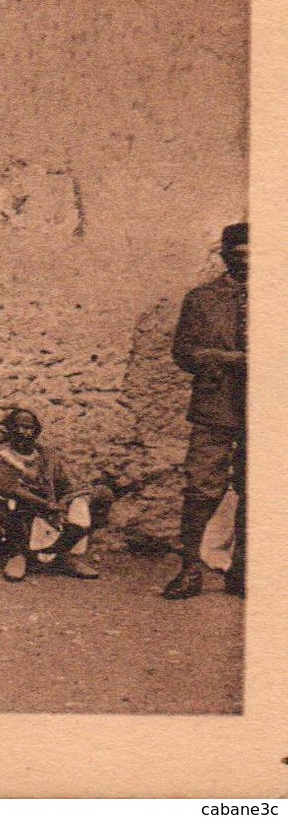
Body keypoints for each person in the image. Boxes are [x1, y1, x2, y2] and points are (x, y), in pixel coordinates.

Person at [164, 221, 248, 600]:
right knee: (200, 488)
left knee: (256, 489)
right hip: (215, 404)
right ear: (224, 255)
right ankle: (190, 569)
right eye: (236, 255)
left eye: (253, 255)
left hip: (264, 410)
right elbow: (183, 351)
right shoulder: (201, 299)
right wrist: (224, 359)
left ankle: (243, 569)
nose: (244, 262)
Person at [0, 406, 106, 582]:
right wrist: (45, 504)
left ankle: (66, 554)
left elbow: (64, 485)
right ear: (10, 429)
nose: (25, 433)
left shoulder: (46, 456)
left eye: (30, 428)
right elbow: (4, 485)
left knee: (98, 495)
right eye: (20, 427)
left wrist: (72, 499)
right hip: (17, 512)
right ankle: (16, 555)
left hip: (46, 512)